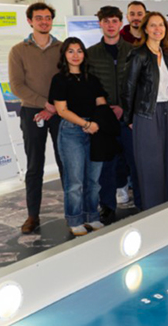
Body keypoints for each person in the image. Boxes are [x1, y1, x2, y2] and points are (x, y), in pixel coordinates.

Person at [8, 2, 64, 234]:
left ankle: (74, 211)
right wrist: (45, 104)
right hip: (32, 113)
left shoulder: (62, 48)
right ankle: (33, 215)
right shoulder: (18, 51)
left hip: (61, 112)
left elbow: (68, 79)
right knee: (34, 165)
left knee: (66, 162)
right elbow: (17, 86)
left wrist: (54, 107)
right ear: (30, 21)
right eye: (39, 18)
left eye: (48, 17)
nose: (44, 21)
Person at [121, 12, 168, 210]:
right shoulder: (138, 54)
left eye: (161, 25)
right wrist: (129, 118)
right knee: (151, 167)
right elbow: (128, 88)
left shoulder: (165, 54)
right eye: (153, 25)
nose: (158, 29)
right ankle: (154, 212)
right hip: (146, 114)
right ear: (146, 29)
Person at [49, 37, 108, 236]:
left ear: (84, 54)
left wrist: (95, 123)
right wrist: (85, 124)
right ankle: (74, 219)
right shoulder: (59, 80)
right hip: (71, 131)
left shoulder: (92, 79)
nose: (75, 55)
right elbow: (61, 110)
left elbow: (101, 103)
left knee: (94, 180)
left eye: (79, 51)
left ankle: (92, 215)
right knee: (75, 182)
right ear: (64, 55)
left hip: (95, 130)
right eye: (71, 51)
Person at [86, 6, 137, 223]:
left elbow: (140, 83)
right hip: (103, 118)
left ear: (121, 23)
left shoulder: (134, 51)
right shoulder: (91, 54)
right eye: (106, 21)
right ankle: (107, 206)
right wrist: (106, 109)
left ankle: (142, 201)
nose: (110, 25)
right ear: (100, 24)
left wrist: (124, 107)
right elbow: (88, 86)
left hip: (129, 117)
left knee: (135, 162)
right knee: (106, 165)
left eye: (114, 21)